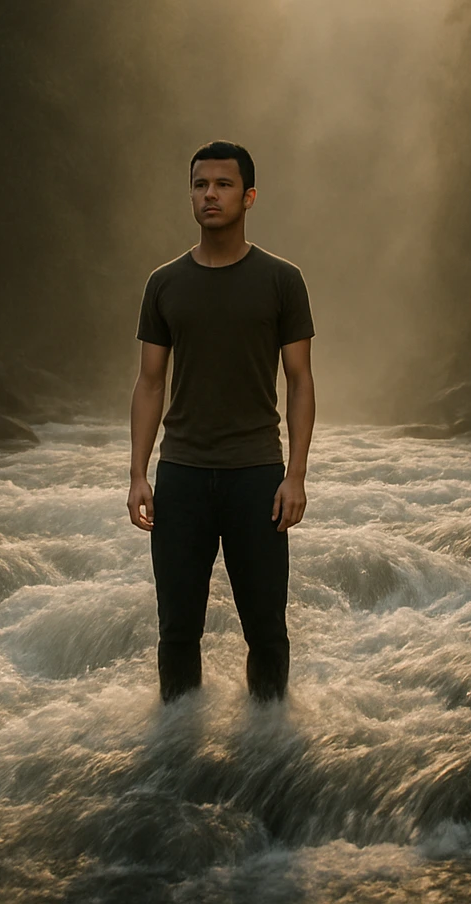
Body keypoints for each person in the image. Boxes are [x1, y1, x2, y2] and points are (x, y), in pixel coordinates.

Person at [127, 140, 316, 703]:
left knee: (266, 630)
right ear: (191, 195)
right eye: (200, 185)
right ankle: (178, 754)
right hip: (181, 475)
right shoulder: (164, 283)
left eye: (223, 184)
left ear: (249, 197)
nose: (210, 194)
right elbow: (150, 382)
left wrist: (297, 474)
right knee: (177, 630)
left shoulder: (282, 280)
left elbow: (300, 380)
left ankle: (269, 748)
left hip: (256, 474)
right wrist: (139, 473)